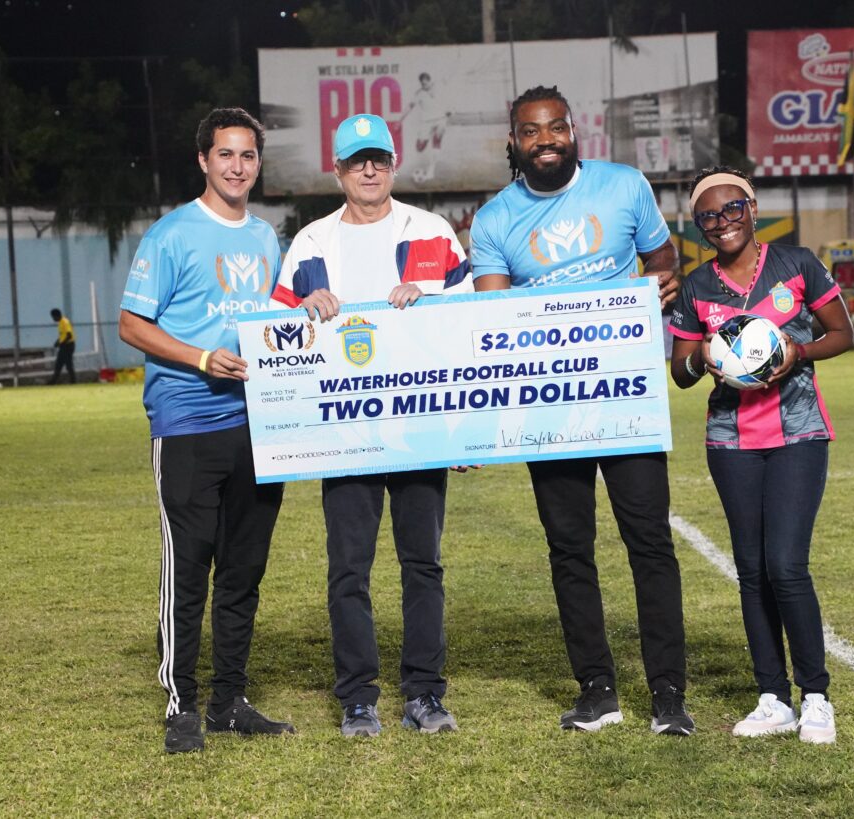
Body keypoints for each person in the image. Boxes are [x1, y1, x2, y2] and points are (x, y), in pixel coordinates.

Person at [468, 85, 692, 736]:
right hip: (551, 405)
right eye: (531, 131)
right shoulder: (494, 219)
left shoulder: (623, 186)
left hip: (625, 395)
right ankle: (597, 689)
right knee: (569, 549)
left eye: (556, 127)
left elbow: (662, 259)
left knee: (649, 542)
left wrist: (665, 280)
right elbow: (495, 313)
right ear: (514, 142)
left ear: (574, 131)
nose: (545, 140)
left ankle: (668, 693)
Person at [270, 113, 471, 737]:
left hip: (419, 426)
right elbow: (277, 338)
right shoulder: (311, 243)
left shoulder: (432, 231)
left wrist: (429, 299)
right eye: (357, 161)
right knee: (348, 570)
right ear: (337, 170)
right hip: (344, 433)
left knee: (423, 564)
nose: (369, 170)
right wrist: (303, 311)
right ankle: (358, 697)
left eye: (378, 158)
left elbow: (469, 322)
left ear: (393, 164)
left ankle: (424, 693)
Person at [118, 108, 294, 754]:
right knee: (189, 566)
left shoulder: (267, 238)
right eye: (225, 154)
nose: (237, 166)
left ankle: (229, 701)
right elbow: (131, 324)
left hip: (258, 423)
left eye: (247, 155)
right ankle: (182, 704)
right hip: (188, 419)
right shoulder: (171, 234)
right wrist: (199, 357)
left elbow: (277, 319)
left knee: (244, 569)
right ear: (203, 160)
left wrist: (311, 308)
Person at [669, 166, 854, 744]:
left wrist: (798, 351)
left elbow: (842, 333)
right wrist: (704, 356)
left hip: (798, 432)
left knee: (787, 566)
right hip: (731, 441)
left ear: (752, 208)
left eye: (732, 209)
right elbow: (680, 372)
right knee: (751, 571)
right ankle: (773, 698)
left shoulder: (796, 263)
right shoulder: (697, 286)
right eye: (708, 216)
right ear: (698, 226)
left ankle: (816, 696)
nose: (722, 222)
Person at [401, 72, 449, 182]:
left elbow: (450, 82)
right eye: (423, 84)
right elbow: (410, 106)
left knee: (437, 141)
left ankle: (431, 171)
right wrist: (400, 119)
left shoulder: (439, 86)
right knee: (420, 148)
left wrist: (450, 110)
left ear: (430, 81)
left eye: (426, 83)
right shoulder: (419, 94)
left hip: (440, 119)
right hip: (426, 122)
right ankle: (422, 144)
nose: (425, 86)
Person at [49, 308, 76, 384]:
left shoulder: (65, 322)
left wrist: (61, 343)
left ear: (56, 316)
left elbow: (69, 335)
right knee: (59, 364)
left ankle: (73, 381)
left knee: (68, 364)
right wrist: (57, 341)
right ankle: (53, 382)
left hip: (68, 346)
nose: (53, 319)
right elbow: (63, 335)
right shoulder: (60, 323)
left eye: (53, 317)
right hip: (64, 346)